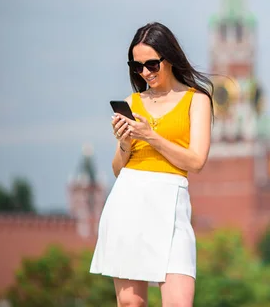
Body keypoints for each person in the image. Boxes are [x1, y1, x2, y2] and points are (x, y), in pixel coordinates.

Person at [90, 22, 213, 307]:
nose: (145, 72)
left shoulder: (196, 100)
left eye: (152, 64)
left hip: (171, 202)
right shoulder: (131, 102)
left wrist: (150, 136)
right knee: (131, 303)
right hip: (129, 200)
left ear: (169, 58)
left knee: (179, 302)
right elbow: (118, 170)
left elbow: (196, 161)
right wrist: (125, 143)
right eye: (137, 66)